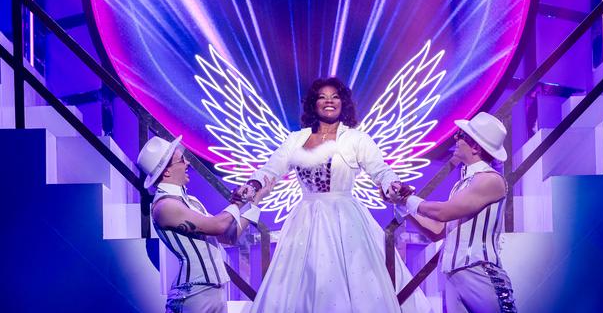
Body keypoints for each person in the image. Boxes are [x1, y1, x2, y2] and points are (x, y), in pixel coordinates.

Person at [244, 77, 432, 313]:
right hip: (305, 221)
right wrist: (253, 184)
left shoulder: (356, 139)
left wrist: (392, 184)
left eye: (334, 96)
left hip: (346, 219)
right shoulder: (296, 139)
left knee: (354, 282)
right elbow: (271, 169)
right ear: (314, 104)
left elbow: (381, 171)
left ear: (343, 103)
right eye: (322, 97)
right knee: (304, 283)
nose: (329, 101)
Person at [393, 112, 517, 313]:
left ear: (475, 146)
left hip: (479, 272)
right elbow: (438, 230)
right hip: (453, 276)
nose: (455, 138)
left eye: (461, 135)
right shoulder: (463, 184)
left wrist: (409, 199)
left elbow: (443, 212)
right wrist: (403, 205)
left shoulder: (490, 180)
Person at [136, 135, 275, 313]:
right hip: (192, 295)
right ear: (167, 172)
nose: (187, 163)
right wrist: (238, 202)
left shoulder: (191, 201)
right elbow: (218, 225)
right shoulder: (165, 206)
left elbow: (228, 236)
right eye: (181, 160)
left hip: (215, 291)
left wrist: (254, 202)